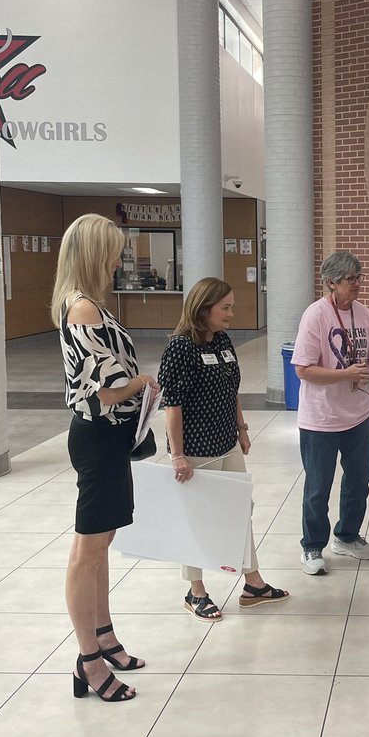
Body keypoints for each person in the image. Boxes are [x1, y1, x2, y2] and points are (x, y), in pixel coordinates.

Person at [53, 213, 155, 703]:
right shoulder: (83, 311)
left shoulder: (89, 306)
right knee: (87, 549)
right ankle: (87, 659)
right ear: (95, 253)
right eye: (114, 251)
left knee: (102, 542)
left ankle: (104, 635)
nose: (120, 260)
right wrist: (143, 381)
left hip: (109, 440)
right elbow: (109, 389)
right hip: (98, 437)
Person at [159, 277, 289, 617]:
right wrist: (177, 455)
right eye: (226, 308)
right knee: (198, 518)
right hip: (195, 450)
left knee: (239, 512)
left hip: (226, 443)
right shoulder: (179, 348)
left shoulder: (222, 341)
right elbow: (172, 406)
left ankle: (253, 583)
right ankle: (195, 591)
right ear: (204, 309)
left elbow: (232, 390)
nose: (231, 314)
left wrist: (242, 428)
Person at [291, 251, 369, 575]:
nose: (358, 284)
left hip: (358, 414)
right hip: (321, 420)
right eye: (350, 279)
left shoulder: (363, 313)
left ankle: (347, 537)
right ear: (332, 282)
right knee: (318, 486)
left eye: (359, 277)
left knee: (358, 482)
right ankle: (312, 547)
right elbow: (303, 369)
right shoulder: (315, 316)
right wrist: (346, 375)